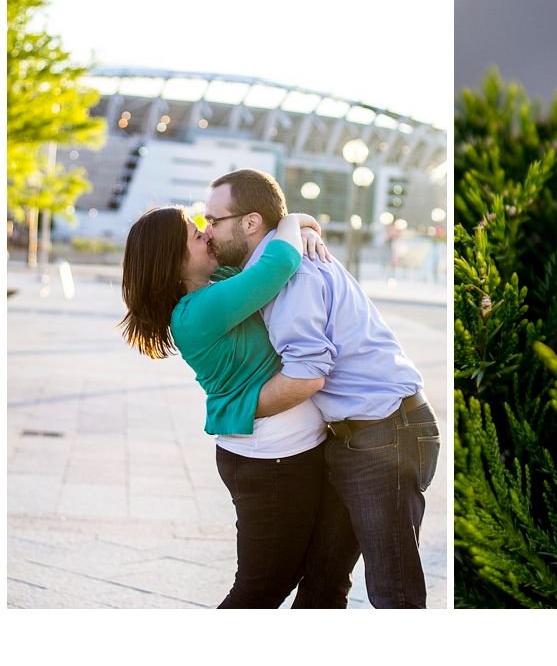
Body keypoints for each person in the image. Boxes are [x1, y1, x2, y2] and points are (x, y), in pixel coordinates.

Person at [205, 168, 441, 609]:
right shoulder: (276, 263)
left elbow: (307, 373)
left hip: (386, 432)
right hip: (354, 437)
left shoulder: (289, 275)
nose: (207, 232)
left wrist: (235, 411)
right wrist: (299, 222)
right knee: (322, 581)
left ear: (250, 223)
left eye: (213, 221)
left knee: (395, 592)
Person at [119, 206, 342, 608]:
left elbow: (271, 253)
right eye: (194, 233)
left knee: (286, 578)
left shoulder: (216, 283)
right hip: (269, 463)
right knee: (260, 589)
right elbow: (276, 267)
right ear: (174, 259)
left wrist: (306, 232)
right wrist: (294, 223)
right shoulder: (197, 312)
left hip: (282, 456)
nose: (206, 233)